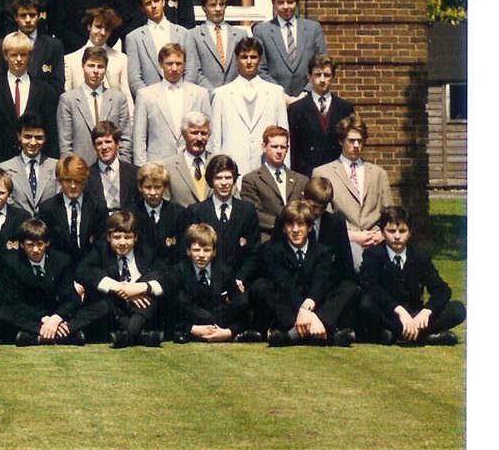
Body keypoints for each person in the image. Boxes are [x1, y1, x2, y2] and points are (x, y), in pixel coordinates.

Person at [254, 200, 357, 347]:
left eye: (300, 224)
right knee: (260, 286)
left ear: (309, 227)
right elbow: (283, 284)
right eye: (290, 225)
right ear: (283, 228)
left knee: (348, 287)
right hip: (289, 306)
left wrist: (308, 309)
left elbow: (319, 283)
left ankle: (292, 336)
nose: (295, 230)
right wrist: (306, 314)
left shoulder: (323, 251)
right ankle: (322, 334)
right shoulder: (271, 250)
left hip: (315, 305)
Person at [358, 206, 464, 346]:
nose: (397, 236)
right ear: (382, 232)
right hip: (389, 314)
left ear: (410, 232)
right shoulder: (373, 254)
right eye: (391, 231)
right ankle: (423, 337)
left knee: (458, 309)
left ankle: (400, 336)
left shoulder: (419, 255)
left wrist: (428, 310)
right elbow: (371, 286)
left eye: (402, 231)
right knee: (366, 303)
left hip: (415, 315)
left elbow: (441, 289)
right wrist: (398, 310)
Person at [75, 210, 171, 348]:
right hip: (115, 311)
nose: (122, 242)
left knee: (151, 284)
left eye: (128, 237)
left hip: (141, 310)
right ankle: (138, 335)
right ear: (108, 237)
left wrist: (141, 288)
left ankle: (127, 336)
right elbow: (83, 272)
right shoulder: (101, 250)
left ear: (135, 237)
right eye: (117, 237)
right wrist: (120, 288)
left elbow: (168, 278)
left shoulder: (146, 253)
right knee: (105, 297)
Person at [314, 113, 392, 270]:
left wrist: (382, 234)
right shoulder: (323, 172)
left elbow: (390, 212)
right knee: (359, 265)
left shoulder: (379, 173)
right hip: (345, 240)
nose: (356, 145)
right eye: (351, 140)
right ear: (341, 141)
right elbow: (324, 218)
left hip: (376, 238)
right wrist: (351, 235)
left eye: (360, 141)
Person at [0, 218, 88, 346]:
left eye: (40, 244)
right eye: (30, 245)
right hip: (29, 315)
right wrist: (45, 320)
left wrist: (56, 319)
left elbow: (71, 297)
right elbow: (13, 302)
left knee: (98, 307)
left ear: (47, 243)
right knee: (2, 313)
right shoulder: (10, 263)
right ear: (22, 244)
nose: (36, 250)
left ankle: (34, 337)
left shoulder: (62, 261)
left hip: (56, 313)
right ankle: (58, 335)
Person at [208, 37, 288, 177]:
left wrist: (283, 173)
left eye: (253, 57)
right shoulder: (221, 94)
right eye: (244, 57)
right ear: (236, 59)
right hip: (232, 172)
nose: (249, 62)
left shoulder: (275, 92)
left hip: (267, 171)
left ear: (260, 59)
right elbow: (215, 141)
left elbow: (284, 137)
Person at [0, 32, 60, 169]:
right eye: (13, 55)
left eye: (23, 54)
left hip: (35, 163)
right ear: (5, 56)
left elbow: (51, 133)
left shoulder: (45, 91)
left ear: (29, 56)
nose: (18, 59)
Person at [168, 222, 257, 344]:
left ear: (214, 251)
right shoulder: (178, 272)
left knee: (243, 301)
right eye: (196, 250)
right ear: (188, 251)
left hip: (221, 322)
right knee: (179, 299)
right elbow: (173, 310)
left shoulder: (225, 272)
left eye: (207, 250)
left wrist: (228, 332)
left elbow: (241, 306)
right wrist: (192, 329)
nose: (201, 255)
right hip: (192, 320)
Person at [133, 45, 212, 164]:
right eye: (169, 64)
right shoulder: (146, 95)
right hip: (158, 165)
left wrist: (208, 165)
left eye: (179, 64)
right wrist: (142, 168)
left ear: (184, 64)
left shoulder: (200, 94)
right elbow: (139, 139)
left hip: (191, 164)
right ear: (160, 64)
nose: (174, 68)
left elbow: (209, 134)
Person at [57, 45, 133, 165]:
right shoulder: (68, 100)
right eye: (91, 66)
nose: (96, 71)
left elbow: (126, 138)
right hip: (80, 166)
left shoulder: (118, 98)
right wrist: (71, 169)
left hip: (112, 166)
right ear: (83, 66)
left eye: (100, 66)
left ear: (106, 69)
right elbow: (65, 143)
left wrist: (122, 166)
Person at [252, 0, 328, 98]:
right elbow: (260, 69)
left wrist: (305, 93)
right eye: (280, 2)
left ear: (297, 2)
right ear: (273, 3)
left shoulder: (313, 29)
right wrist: (282, 96)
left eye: (290, 2)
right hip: (273, 99)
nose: (286, 6)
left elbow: (322, 64)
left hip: (308, 99)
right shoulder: (262, 31)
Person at [186, 154, 258, 276]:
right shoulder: (196, 211)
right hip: (208, 279)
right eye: (218, 178)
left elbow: (254, 251)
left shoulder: (247, 210)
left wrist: (241, 277)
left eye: (228, 177)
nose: (224, 183)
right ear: (211, 180)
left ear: (234, 179)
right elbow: (190, 251)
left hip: (240, 280)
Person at [124, 0, 200, 96]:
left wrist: (182, 95)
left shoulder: (184, 34)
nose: (153, 6)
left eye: (156, 1)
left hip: (182, 98)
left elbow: (191, 70)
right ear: (142, 8)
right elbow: (135, 78)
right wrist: (151, 100)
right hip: (150, 100)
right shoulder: (134, 38)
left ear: (163, 2)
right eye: (148, 3)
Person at [286, 53, 354, 176]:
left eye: (327, 75)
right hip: (307, 175)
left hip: (338, 175)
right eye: (317, 74)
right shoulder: (296, 109)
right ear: (309, 76)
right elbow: (293, 149)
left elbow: (350, 145)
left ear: (333, 77)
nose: (322, 80)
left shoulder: (345, 108)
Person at [237, 125, 306, 243]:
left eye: (283, 147)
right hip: (268, 240)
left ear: (287, 149)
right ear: (264, 147)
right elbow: (253, 214)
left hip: (297, 240)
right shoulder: (252, 180)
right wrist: (282, 224)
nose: (279, 151)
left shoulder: (301, 180)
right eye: (274, 146)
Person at [36, 153, 107, 264]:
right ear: (59, 181)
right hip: (59, 266)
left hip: (90, 265)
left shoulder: (97, 206)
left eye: (77, 180)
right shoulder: (48, 208)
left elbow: (101, 242)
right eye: (68, 180)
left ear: (85, 181)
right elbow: (48, 244)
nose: (73, 186)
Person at [63, 7, 131, 115]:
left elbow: (126, 96)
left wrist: (130, 124)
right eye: (98, 27)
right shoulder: (70, 60)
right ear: (89, 26)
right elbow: (66, 99)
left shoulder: (121, 59)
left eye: (107, 29)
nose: (102, 32)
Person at [128, 161, 192, 265]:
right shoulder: (130, 214)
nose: (153, 193)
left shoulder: (179, 214)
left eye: (157, 187)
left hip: (171, 271)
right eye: (148, 187)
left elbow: (183, 251)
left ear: (165, 187)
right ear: (140, 187)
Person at [189, 0, 250, 92]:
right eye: (213, 5)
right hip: (208, 96)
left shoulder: (240, 35)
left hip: (236, 95)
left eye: (221, 4)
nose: (218, 9)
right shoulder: (193, 36)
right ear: (203, 7)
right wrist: (215, 94)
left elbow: (245, 69)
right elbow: (195, 72)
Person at [0, 113, 60, 216]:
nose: (33, 142)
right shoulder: (5, 168)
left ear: (45, 138)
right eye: (28, 137)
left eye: (38, 137)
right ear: (19, 136)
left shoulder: (56, 166)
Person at [9, 0, 64, 92]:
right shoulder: (4, 45)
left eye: (32, 15)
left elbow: (58, 85)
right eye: (23, 15)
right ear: (15, 17)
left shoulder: (54, 46)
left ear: (39, 16)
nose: (28, 20)